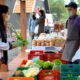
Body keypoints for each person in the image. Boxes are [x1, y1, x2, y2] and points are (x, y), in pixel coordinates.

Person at [0, 5, 15, 71]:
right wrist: (12, 45)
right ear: (2, 14)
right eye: (7, 13)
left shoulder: (1, 24)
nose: (8, 15)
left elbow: (3, 38)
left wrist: (13, 39)